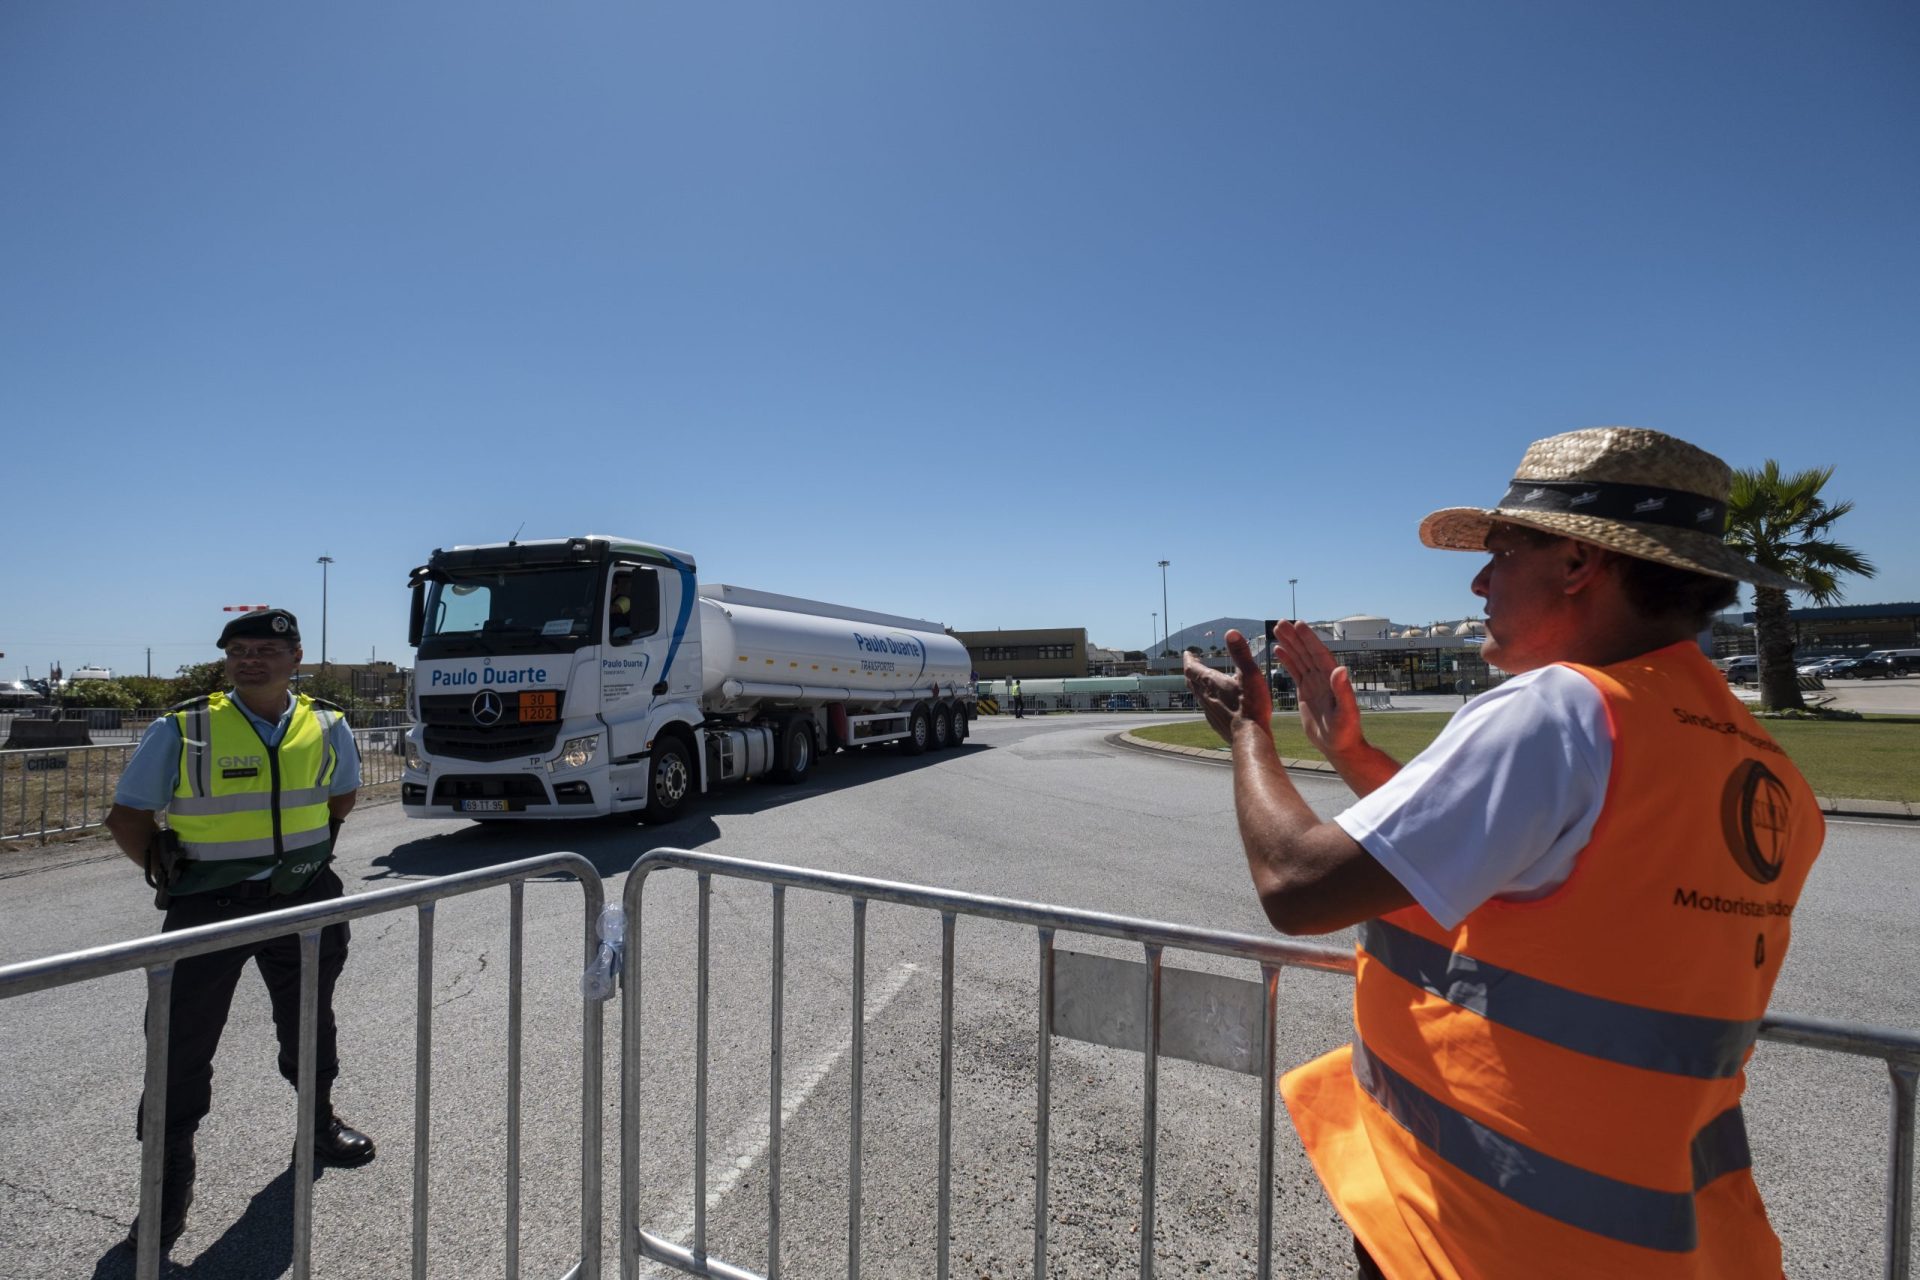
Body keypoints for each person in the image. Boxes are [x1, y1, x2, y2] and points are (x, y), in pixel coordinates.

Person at [1184, 427, 1824, 1280]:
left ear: (1576, 564)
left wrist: (1247, 738)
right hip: (1667, 1244)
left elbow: (1296, 885)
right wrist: (1355, 760)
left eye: (1502, 548)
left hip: (1488, 1236)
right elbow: (1541, 877)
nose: (1481, 580)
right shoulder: (1760, 764)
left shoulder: (1558, 711)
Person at [104, 608, 375, 1254]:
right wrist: (161, 867)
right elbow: (127, 816)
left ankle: (317, 1124)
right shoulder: (186, 726)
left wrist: (309, 860)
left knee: (311, 1020)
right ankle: (167, 1185)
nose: (251, 659)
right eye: (239, 650)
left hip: (302, 899)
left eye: (266, 649)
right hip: (207, 906)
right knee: (178, 1044)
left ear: (295, 656)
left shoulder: (328, 723)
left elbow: (341, 797)